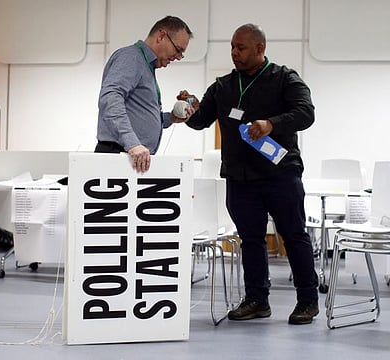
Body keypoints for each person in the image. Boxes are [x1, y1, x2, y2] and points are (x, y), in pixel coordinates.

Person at [180, 24, 319, 325]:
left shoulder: (285, 78)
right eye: (232, 47)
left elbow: (306, 113)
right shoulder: (222, 86)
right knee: (251, 239)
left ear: (260, 49)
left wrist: (272, 124)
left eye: (241, 47)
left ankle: (307, 300)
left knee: (294, 236)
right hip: (240, 178)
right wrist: (190, 107)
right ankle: (257, 300)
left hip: (280, 173)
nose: (234, 53)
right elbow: (201, 120)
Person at [95, 16, 194, 173]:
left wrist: (171, 118)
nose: (177, 57)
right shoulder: (131, 57)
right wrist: (132, 143)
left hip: (130, 155)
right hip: (119, 154)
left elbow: (138, 114)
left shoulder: (146, 66)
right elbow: (110, 97)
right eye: (178, 50)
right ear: (161, 36)